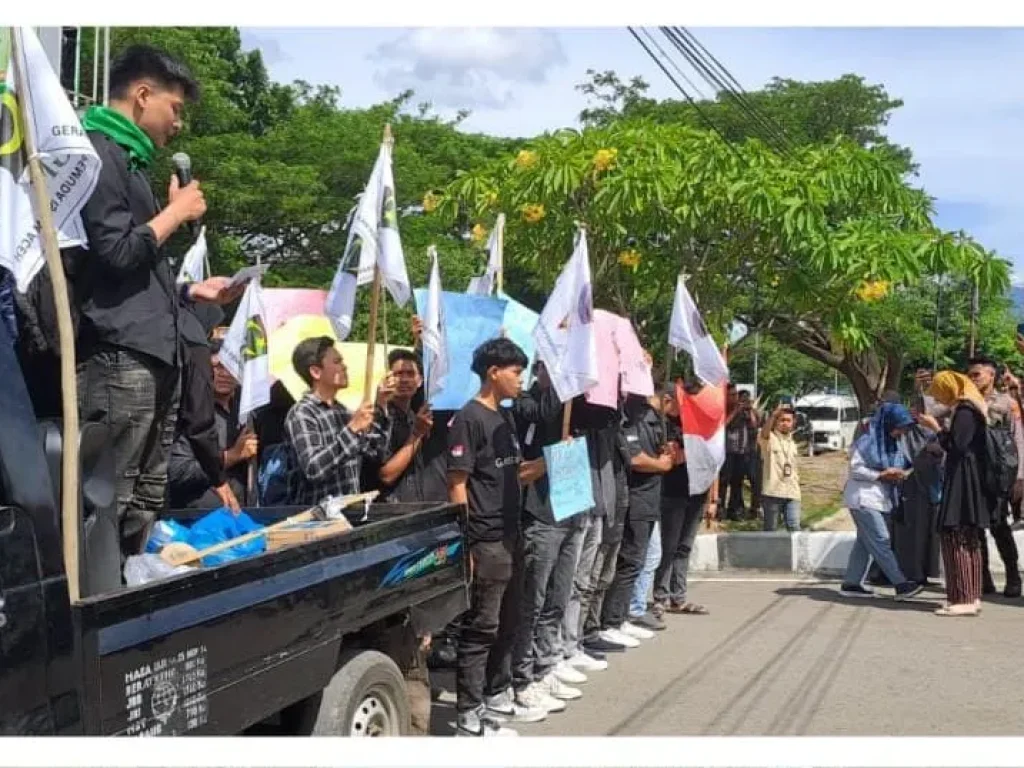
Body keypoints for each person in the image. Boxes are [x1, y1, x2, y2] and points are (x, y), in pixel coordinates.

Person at [73, 45, 242, 556]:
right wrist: (175, 214)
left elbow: (138, 269)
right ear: (143, 95)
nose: (179, 125)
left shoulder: (132, 161)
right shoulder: (95, 152)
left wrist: (193, 290)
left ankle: (125, 582)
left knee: (145, 495)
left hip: (156, 355)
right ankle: (97, 603)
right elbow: (116, 252)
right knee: (109, 495)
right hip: (119, 356)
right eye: (176, 108)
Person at [448, 338, 546, 737]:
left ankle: (496, 696)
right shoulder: (468, 419)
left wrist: (551, 462)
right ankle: (468, 717)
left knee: (510, 622)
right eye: (515, 372)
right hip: (485, 540)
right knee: (481, 628)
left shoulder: (505, 420)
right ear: (493, 373)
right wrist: (467, 543)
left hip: (511, 534)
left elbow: (515, 473)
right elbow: (458, 484)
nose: (520, 380)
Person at [510, 360, 588, 717]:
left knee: (558, 597)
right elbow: (543, 413)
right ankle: (521, 678)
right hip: (541, 514)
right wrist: (562, 376)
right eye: (549, 369)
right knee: (533, 602)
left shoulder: (576, 402)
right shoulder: (525, 402)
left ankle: (545, 666)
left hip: (571, 506)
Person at [598, 394, 673, 649]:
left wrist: (665, 456)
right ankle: (612, 620)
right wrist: (661, 464)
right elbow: (636, 459)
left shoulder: (652, 422)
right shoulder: (635, 419)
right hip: (637, 501)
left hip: (650, 501)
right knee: (629, 563)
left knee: (645, 559)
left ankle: (622, 617)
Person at [284, 336, 392, 506]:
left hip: (349, 516)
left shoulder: (343, 412)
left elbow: (376, 454)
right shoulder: (302, 413)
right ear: (316, 372)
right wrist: (352, 429)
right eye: (337, 361)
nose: (344, 366)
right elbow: (314, 469)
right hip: (317, 522)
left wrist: (381, 405)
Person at [838, 403, 925, 600]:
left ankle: (851, 583)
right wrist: (880, 475)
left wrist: (901, 473)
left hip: (881, 499)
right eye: (899, 426)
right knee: (880, 540)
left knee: (864, 543)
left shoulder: (895, 444)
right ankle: (901, 584)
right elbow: (856, 469)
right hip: (863, 498)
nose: (901, 431)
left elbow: (906, 465)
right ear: (888, 423)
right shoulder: (867, 442)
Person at [924, 371, 992, 617]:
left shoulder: (964, 411)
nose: (939, 398)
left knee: (956, 535)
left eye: (940, 391)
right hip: (970, 479)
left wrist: (937, 430)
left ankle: (962, 596)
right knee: (968, 538)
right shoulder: (973, 408)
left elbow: (958, 446)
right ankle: (971, 596)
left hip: (962, 479)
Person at [167, 334, 256, 510]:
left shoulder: (248, 412)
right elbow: (177, 472)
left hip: (244, 514)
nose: (224, 373)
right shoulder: (189, 413)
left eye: (231, 367)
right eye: (216, 366)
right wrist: (230, 456)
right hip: (200, 517)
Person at [966, 357, 1023, 597]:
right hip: (972, 474)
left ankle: (1013, 577)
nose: (973, 378)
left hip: (999, 475)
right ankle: (984, 578)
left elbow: (1018, 439)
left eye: (977, 374)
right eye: (970, 374)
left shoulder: (1006, 403)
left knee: (1000, 527)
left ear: (992, 376)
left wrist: (1019, 477)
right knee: (976, 529)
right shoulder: (965, 402)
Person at [653, 386, 710, 615]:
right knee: (669, 546)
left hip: (697, 491)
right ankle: (660, 596)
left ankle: (679, 597)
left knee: (684, 547)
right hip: (672, 491)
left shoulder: (695, 424)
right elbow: (669, 457)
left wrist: (713, 499)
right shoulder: (661, 425)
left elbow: (710, 457)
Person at [373, 349, 448, 504]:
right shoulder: (379, 420)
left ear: (420, 380)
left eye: (410, 374)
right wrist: (417, 435)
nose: (405, 379)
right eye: (398, 374)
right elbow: (386, 475)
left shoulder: (418, 417)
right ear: (388, 379)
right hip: (394, 512)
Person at [892, 417, 943, 588]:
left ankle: (918, 573)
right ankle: (918, 573)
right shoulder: (917, 434)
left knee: (921, 533)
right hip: (921, 489)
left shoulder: (930, 433)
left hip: (923, 487)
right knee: (919, 533)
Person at [759, 405, 802, 532]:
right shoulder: (769, 438)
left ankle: (794, 552)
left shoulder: (792, 443)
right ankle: (770, 552)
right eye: (782, 420)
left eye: (788, 420)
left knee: (794, 527)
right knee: (770, 530)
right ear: (776, 422)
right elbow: (764, 433)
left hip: (792, 492)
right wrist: (773, 415)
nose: (785, 423)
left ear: (793, 422)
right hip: (773, 492)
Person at [721, 385, 760, 521]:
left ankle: (735, 510)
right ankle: (720, 510)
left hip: (742, 453)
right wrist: (735, 411)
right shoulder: (724, 409)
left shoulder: (747, 411)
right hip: (726, 452)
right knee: (723, 482)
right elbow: (722, 426)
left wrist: (749, 411)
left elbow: (755, 427)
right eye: (731, 395)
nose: (735, 398)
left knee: (737, 483)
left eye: (735, 395)